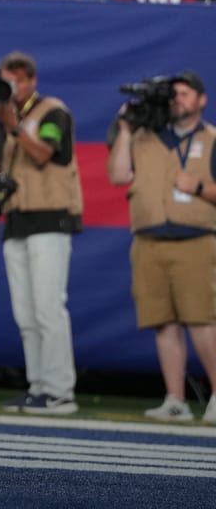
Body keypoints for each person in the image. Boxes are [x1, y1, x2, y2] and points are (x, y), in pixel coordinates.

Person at [0, 51, 82, 415]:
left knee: (48, 308)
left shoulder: (52, 111)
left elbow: (45, 153)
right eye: (5, 80)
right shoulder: (2, 116)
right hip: (16, 221)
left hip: (49, 218)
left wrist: (14, 125)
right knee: (26, 313)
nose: (11, 87)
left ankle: (61, 391)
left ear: (31, 80)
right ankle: (39, 387)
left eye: (17, 80)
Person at [106, 71, 216, 423]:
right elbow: (118, 175)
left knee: (202, 320)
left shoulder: (212, 139)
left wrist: (199, 187)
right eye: (174, 94)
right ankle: (175, 399)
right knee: (163, 323)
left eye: (185, 93)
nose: (177, 98)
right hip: (149, 240)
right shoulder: (144, 135)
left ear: (201, 100)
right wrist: (125, 131)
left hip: (195, 240)